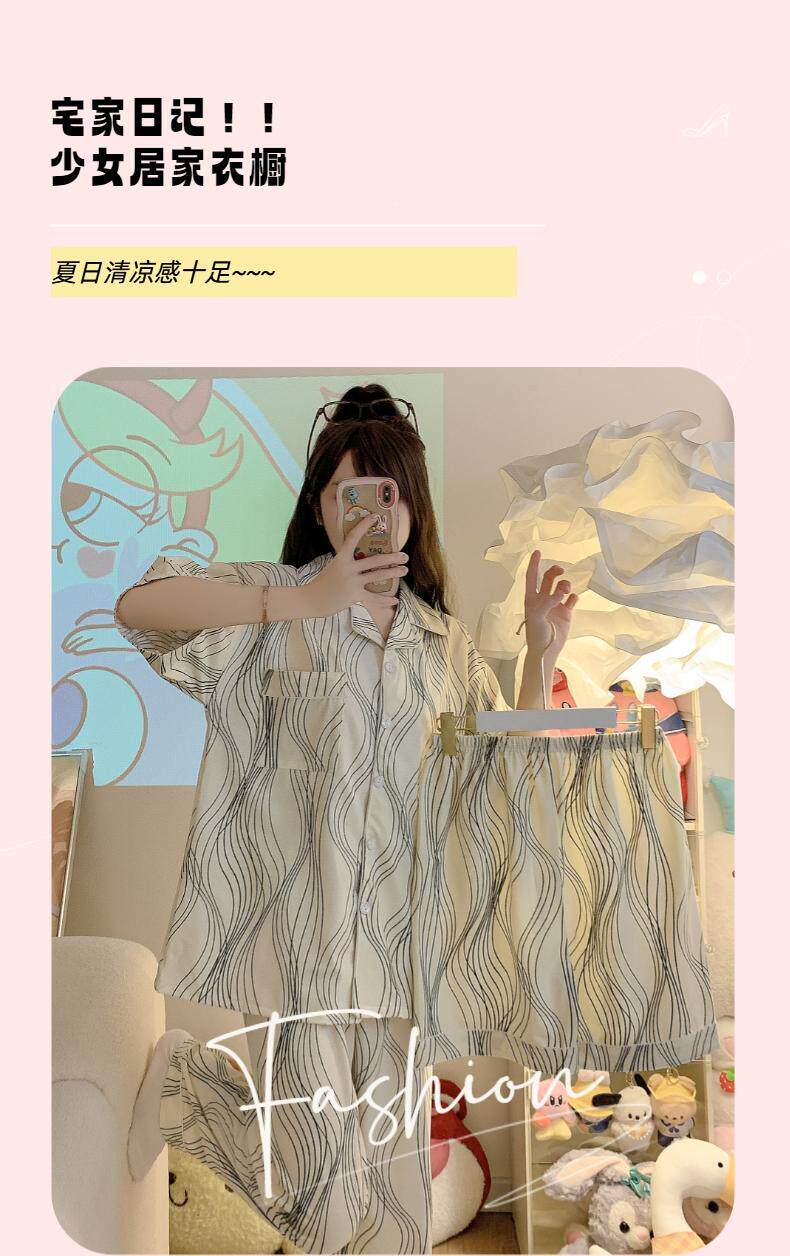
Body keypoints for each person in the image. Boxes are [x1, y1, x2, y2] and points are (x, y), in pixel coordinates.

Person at [115, 383, 577, 1254]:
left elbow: (499, 772)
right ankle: (187, 1092)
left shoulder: (442, 645)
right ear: (322, 507)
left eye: (387, 491)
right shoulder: (270, 598)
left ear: (413, 508)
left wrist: (541, 653)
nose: (370, 511)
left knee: (395, 1198)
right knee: (323, 1193)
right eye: (347, 491)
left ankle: (187, 1092)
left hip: (408, 950)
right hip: (301, 942)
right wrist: (299, 602)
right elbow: (138, 610)